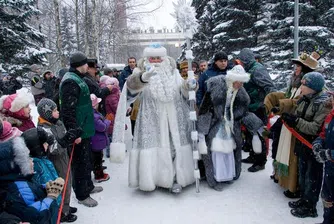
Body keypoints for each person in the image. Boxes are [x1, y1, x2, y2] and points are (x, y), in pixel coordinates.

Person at [112, 44, 197, 193]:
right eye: (153, 57)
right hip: (151, 116)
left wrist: (188, 85)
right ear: (147, 58)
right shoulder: (140, 71)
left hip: (173, 116)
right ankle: (152, 179)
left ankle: (176, 178)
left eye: (159, 57)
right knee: (154, 145)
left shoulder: (173, 71)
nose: (156, 60)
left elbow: (182, 91)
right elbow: (130, 91)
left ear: (164, 58)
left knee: (173, 145)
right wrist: (143, 78)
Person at [264, 51, 320, 198]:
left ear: (305, 70)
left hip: (297, 127)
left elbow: (296, 102)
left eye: (298, 66)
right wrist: (273, 98)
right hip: (287, 123)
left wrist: (281, 106)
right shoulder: (296, 83)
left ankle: (293, 185)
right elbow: (289, 96)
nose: (295, 68)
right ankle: (280, 176)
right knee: (280, 148)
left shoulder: (310, 87)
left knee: (293, 158)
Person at [276, 72, 331, 218]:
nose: (301, 86)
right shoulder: (305, 98)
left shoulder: (323, 104)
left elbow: (315, 127)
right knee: (303, 172)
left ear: (313, 88)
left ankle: (310, 206)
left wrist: (295, 121)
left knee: (312, 175)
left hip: (312, 143)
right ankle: (304, 199)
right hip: (301, 142)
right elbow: (297, 113)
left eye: (304, 85)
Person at [197, 65, 252, 191]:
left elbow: (243, 107)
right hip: (215, 122)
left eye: (243, 82)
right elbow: (204, 108)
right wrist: (203, 128)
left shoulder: (240, 92)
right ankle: (215, 177)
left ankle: (226, 176)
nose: (241, 85)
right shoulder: (216, 87)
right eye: (240, 82)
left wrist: (234, 116)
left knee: (229, 150)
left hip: (229, 124)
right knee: (215, 150)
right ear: (233, 79)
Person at [59, 51, 102, 207]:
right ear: (81, 65)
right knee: (80, 163)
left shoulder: (78, 78)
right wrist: (74, 131)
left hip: (85, 127)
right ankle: (82, 195)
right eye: (86, 64)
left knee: (87, 160)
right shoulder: (70, 82)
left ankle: (88, 186)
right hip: (79, 131)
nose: (88, 67)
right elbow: (67, 111)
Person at [0, 134, 63, 224]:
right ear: (18, 165)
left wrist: (44, 188)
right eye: (28, 158)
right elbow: (40, 217)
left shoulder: (18, 181)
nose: (32, 160)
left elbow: (32, 197)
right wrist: (51, 197)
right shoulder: (19, 189)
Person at [37, 98, 81, 222]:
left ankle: (65, 206)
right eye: (55, 110)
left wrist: (72, 137)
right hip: (56, 160)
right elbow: (53, 149)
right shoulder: (44, 129)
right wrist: (66, 140)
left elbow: (64, 134)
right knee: (62, 183)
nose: (58, 112)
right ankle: (61, 212)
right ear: (47, 113)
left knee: (68, 181)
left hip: (64, 157)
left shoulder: (57, 122)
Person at [238, 48, 277, 172]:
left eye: (242, 61)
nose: (241, 64)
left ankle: (260, 161)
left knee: (259, 134)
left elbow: (269, 87)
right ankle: (253, 155)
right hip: (250, 106)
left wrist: (268, 104)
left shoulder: (258, 69)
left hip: (258, 107)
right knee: (251, 133)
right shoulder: (249, 68)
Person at [312, 92, 334, 224]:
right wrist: (318, 142)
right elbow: (324, 134)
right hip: (330, 169)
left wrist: (329, 154)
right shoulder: (330, 116)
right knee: (327, 198)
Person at [91, 94, 111, 182]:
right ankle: (99, 176)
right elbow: (102, 127)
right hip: (96, 142)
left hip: (95, 141)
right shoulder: (94, 116)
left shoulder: (93, 113)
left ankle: (98, 171)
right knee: (97, 159)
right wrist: (107, 121)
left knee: (98, 158)